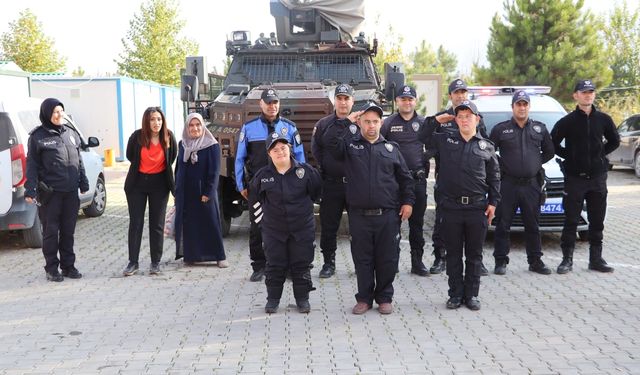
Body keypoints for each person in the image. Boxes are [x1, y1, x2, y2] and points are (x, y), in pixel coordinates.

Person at [328, 102, 415, 315]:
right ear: (359, 123)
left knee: (387, 258)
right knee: (362, 259)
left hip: (387, 215)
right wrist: (345, 123)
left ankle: (384, 297)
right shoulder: (349, 146)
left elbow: (405, 179)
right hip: (359, 215)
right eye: (366, 121)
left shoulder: (391, 149)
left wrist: (408, 202)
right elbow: (330, 144)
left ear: (381, 123)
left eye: (375, 121)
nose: (371, 126)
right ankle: (364, 299)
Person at [425, 100, 500, 311]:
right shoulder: (445, 141)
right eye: (460, 116)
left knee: (474, 255)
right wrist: (438, 119)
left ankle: (472, 295)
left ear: (477, 119)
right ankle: (455, 294)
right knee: (454, 254)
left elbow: (495, 178)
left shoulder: (487, 146)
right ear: (455, 119)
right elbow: (422, 135)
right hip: (451, 208)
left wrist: (493, 203)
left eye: (469, 116)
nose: (464, 119)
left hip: (477, 209)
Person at [235, 88, 305, 282]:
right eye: (268, 102)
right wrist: (241, 185)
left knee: (287, 227)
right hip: (258, 188)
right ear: (261, 104)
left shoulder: (289, 128)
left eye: (275, 102)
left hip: (285, 186)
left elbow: (299, 157)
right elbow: (239, 159)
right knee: (257, 226)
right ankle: (259, 266)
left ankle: (289, 266)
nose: (272, 106)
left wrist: (300, 182)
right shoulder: (249, 128)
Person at [550, 79, 620, 274]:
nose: (588, 95)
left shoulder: (604, 119)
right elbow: (552, 143)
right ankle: (567, 260)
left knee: (597, 221)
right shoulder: (567, 121)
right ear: (576, 95)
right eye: (583, 92)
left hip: (597, 178)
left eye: (591, 92)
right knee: (571, 220)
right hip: (575, 179)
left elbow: (615, 140)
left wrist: (599, 155)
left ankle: (596, 259)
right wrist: (569, 156)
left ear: (594, 95)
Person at [422, 78, 490, 276]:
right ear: (450, 96)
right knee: (442, 221)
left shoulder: (476, 117)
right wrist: (436, 121)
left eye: (463, 92)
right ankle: (439, 258)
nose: (460, 96)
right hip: (447, 182)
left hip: (472, 183)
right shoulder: (442, 118)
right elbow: (426, 140)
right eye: (456, 92)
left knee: (474, 228)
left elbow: (485, 144)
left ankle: (478, 262)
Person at [250, 133, 321, 314]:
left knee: (302, 264)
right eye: (275, 149)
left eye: (283, 148)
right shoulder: (262, 176)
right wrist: (263, 224)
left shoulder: (305, 172)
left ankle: (302, 299)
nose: (280, 152)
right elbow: (256, 200)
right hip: (274, 230)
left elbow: (316, 193)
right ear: (269, 153)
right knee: (274, 265)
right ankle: (273, 300)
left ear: (289, 149)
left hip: (301, 228)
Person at [490, 90, 554, 275]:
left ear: (529, 107)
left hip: (531, 185)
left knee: (533, 225)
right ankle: (500, 261)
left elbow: (549, 151)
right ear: (513, 107)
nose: (522, 107)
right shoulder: (500, 129)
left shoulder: (539, 129)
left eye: (525, 104)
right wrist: (501, 166)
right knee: (503, 224)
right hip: (508, 184)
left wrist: (534, 163)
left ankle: (535, 261)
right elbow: (489, 151)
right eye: (518, 104)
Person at [24, 98, 89, 282]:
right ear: (47, 114)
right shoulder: (38, 137)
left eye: (61, 111)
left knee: (68, 231)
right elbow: (32, 166)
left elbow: (79, 160)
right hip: (50, 194)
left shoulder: (71, 133)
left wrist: (83, 182)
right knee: (51, 232)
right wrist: (30, 190)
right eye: (55, 112)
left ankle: (68, 266)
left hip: (70, 193)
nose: (59, 115)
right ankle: (51, 268)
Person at [380, 85, 429, 276]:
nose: (407, 102)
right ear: (397, 102)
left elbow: (434, 146)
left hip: (417, 181)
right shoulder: (388, 123)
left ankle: (417, 263)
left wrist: (424, 159)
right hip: (395, 182)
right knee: (393, 225)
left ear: (415, 101)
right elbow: (379, 147)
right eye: (403, 99)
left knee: (417, 224)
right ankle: (392, 263)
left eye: (410, 99)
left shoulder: (424, 123)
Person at [123, 107, 178, 276]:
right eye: (153, 119)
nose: (156, 123)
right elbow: (130, 156)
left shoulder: (168, 136)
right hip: (137, 184)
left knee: (157, 224)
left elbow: (172, 157)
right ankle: (133, 262)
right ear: (147, 121)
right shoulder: (137, 137)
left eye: (159, 119)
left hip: (160, 184)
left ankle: (155, 263)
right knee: (136, 223)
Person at [311, 83, 357, 278]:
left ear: (352, 101)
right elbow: (316, 149)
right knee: (329, 227)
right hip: (332, 184)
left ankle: (361, 264)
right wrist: (327, 166)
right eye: (340, 98)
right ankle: (328, 263)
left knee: (359, 226)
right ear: (334, 100)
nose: (343, 102)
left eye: (347, 98)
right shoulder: (324, 124)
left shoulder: (361, 122)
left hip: (356, 184)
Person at [174, 113, 227, 266]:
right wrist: (177, 190)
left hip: (204, 191)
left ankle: (219, 256)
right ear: (187, 127)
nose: (195, 128)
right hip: (187, 192)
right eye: (191, 125)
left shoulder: (212, 145)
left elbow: (215, 171)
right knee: (190, 225)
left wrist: (208, 192)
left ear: (203, 126)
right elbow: (179, 168)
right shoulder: (183, 144)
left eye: (198, 125)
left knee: (211, 223)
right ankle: (192, 256)